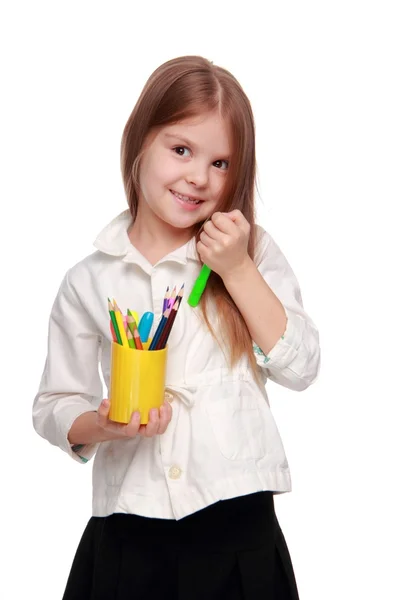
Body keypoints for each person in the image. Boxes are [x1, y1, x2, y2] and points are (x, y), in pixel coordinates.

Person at [33, 55, 320, 599]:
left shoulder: (250, 252)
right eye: (182, 149)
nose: (198, 176)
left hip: (240, 529)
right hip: (128, 534)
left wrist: (236, 269)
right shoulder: (88, 279)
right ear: (141, 141)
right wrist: (104, 425)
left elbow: (302, 365)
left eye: (221, 163)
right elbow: (54, 404)